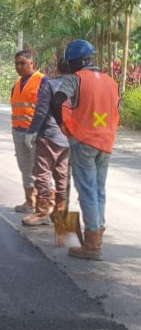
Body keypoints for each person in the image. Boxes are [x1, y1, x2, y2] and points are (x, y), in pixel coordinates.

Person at [51, 39, 120, 260]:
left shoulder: (76, 79)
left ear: (77, 62)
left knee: (88, 191)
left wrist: (63, 125)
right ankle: (97, 233)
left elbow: (56, 102)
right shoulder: (111, 81)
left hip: (83, 142)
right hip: (106, 142)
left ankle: (91, 245)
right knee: (99, 190)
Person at [21, 58, 71, 227]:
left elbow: (41, 111)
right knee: (62, 175)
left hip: (49, 135)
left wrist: (32, 131)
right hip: (68, 137)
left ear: (57, 68)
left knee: (42, 174)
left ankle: (42, 212)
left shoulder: (50, 84)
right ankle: (60, 213)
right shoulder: (77, 85)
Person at [10, 49, 45, 213]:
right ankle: (29, 201)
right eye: (17, 63)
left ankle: (43, 207)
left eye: (23, 63)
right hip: (18, 132)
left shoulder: (42, 82)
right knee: (25, 168)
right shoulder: (17, 84)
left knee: (39, 170)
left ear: (32, 63)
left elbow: (45, 110)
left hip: (36, 133)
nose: (19, 66)